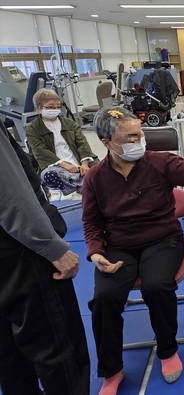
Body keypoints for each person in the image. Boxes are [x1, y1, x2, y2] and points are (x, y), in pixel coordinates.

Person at [82, 107, 184, 394]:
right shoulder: (94, 178)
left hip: (162, 239)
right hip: (119, 246)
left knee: (156, 287)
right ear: (107, 143)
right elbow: (91, 222)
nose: (139, 140)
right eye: (130, 137)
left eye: (140, 134)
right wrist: (96, 253)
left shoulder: (160, 161)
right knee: (104, 299)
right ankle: (112, 370)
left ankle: (167, 350)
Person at [0, 119, 90, 394]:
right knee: (58, 351)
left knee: (9, 355)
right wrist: (52, 247)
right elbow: (10, 194)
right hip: (20, 251)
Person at [26, 88, 99, 200]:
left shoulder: (70, 123)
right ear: (39, 107)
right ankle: (84, 185)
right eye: (50, 107)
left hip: (78, 162)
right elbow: (40, 152)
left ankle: (78, 185)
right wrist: (64, 165)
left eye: (57, 107)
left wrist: (84, 163)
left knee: (102, 169)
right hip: (55, 166)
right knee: (49, 174)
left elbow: (82, 143)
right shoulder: (32, 128)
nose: (55, 110)